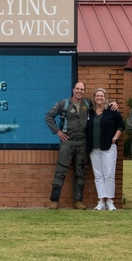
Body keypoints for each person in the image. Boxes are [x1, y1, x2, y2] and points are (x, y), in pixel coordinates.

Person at [45, 82, 91, 210]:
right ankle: (54, 201)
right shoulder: (63, 104)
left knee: (80, 173)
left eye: (82, 89)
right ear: (73, 90)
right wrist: (58, 132)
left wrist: (112, 103)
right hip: (67, 143)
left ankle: (78, 201)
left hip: (82, 143)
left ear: (84, 91)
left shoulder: (88, 104)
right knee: (60, 172)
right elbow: (49, 116)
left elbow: (101, 106)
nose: (79, 91)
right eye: (77, 89)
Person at [86, 88, 123, 211]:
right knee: (98, 175)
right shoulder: (90, 112)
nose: (99, 98)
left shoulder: (111, 110)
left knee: (109, 174)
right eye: (97, 96)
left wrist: (115, 138)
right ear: (94, 97)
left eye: (102, 96)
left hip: (108, 147)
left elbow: (121, 125)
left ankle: (110, 201)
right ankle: (101, 200)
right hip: (94, 148)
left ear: (105, 97)